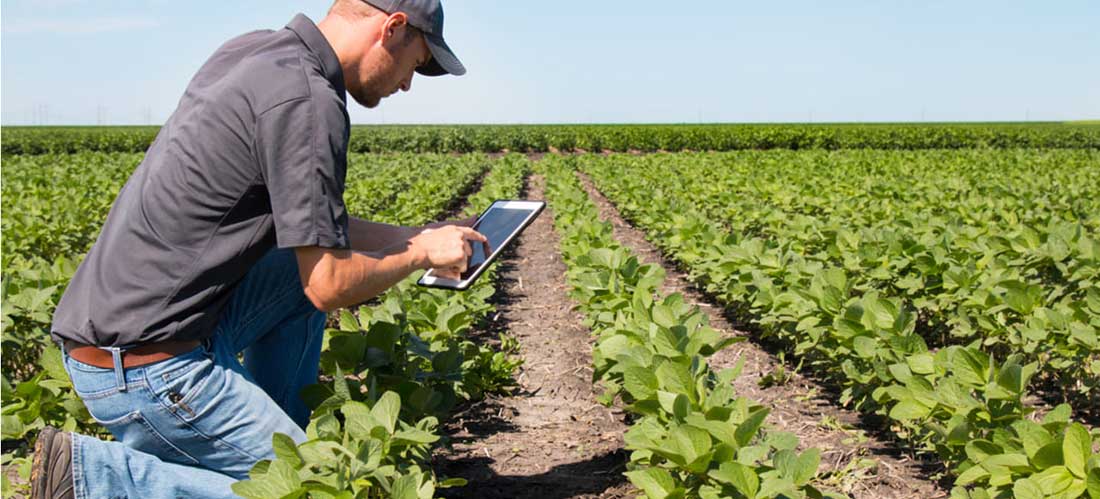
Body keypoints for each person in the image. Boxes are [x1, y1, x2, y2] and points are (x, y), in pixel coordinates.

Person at [30, 1, 482, 497]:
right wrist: (421, 255)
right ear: (392, 29)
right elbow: (329, 284)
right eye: (414, 65)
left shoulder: (257, 52)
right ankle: (93, 480)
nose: (406, 85)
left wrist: (416, 233)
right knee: (319, 488)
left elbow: (317, 230)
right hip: (148, 367)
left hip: (124, 331)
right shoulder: (310, 102)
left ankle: (274, 437)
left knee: (296, 268)